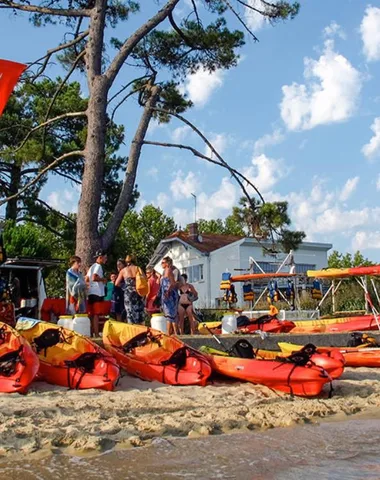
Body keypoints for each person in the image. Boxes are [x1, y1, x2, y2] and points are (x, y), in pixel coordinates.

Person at [115, 254, 144, 324]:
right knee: (138, 311)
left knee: (129, 311)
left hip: (128, 292)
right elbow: (145, 279)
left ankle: (132, 329)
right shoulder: (138, 268)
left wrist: (125, 287)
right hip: (137, 291)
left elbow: (116, 283)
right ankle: (140, 329)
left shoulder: (124, 270)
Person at [86, 250, 108, 336]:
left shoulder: (92, 266)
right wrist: (103, 279)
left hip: (91, 292)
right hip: (97, 292)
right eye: (105, 257)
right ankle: (96, 333)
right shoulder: (98, 266)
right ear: (100, 257)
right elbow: (94, 277)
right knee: (96, 314)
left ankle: (91, 332)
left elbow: (87, 278)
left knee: (91, 314)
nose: (106, 259)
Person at [159, 256, 179, 335]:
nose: (161, 264)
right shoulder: (164, 271)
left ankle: (169, 333)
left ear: (167, 263)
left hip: (170, 295)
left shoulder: (169, 271)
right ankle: (174, 333)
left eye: (163, 262)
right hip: (166, 295)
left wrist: (168, 291)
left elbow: (173, 283)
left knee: (170, 315)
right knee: (169, 315)